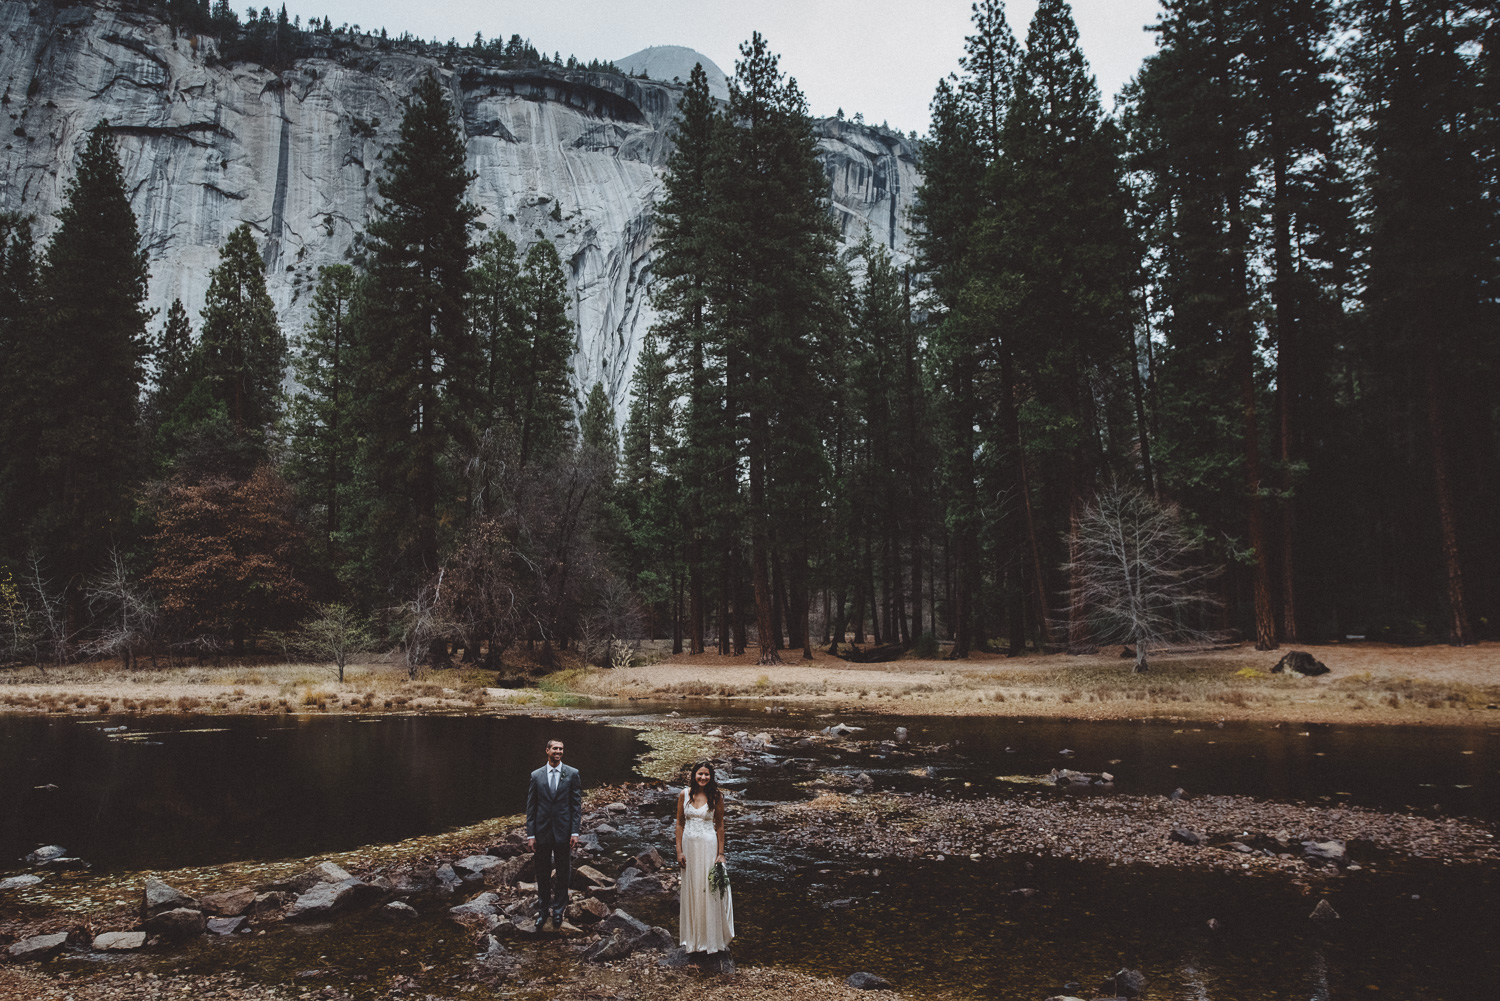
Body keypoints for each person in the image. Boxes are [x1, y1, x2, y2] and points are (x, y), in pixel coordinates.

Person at [674, 760, 734, 954]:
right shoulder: (684, 794)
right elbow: (680, 824)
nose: (703, 777)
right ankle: (693, 939)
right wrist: (679, 851)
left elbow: (720, 825)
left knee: (709, 889)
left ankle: (711, 940)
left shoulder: (716, 796)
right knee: (692, 888)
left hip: (708, 846)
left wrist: (721, 854)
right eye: (700, 774)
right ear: (694, 775)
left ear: (711, 776)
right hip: (689, 848)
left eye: (706, 774)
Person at [526, 737, 581, 930]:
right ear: (547, 751)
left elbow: (576, 806)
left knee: (563, 872)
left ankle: (558, 911)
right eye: (555, 748)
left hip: (564, 832)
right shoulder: (536, 775)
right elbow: (531, 808)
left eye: (561, 749)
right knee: (542, 873)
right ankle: (543, 911)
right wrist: (530, 835)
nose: (558, 751)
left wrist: (575, 832)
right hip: (541, 833)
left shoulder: (572, 774)